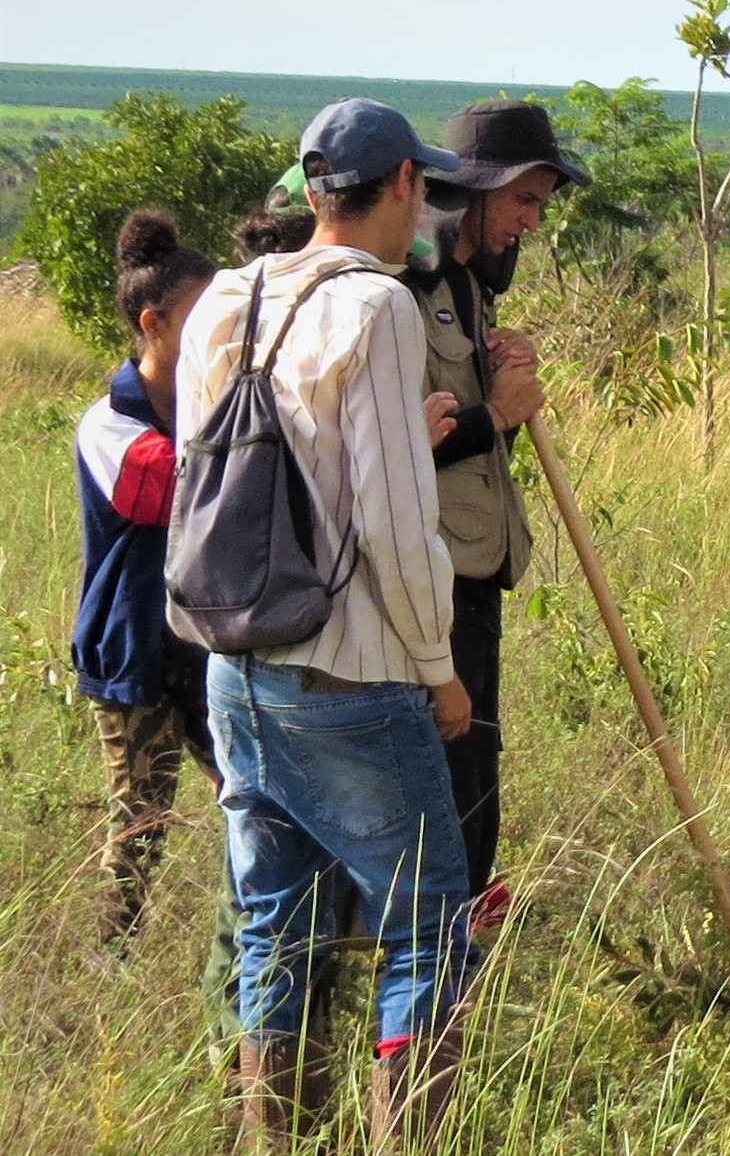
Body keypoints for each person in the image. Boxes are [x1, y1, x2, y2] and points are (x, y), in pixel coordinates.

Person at [184, 98, 475, 1149]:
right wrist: (440, 670)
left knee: (274, 930)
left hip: (234, 664)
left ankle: (275, 1139)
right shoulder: (380, 307)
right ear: (400, 181)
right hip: (347, 676)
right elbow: (397, 525)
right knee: (427, 926)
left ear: (313, 188)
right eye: (422, 187)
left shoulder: (227, 296)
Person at [408, 99, 588, 924]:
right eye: (524, 198)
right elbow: (389, 456)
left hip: (474, 576)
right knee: (447, 800)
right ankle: (428, 1008)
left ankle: (452, 990)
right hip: (430, 581)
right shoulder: (405, 287)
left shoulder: (470, 290)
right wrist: (498, 413)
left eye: (540, 204)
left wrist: (499, 369)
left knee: (478, 787)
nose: (530, 221)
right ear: (475, 187)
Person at [72, 211, 221, 942]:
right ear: (153, 322)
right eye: (205, 317)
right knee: (140, 821)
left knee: (253, 797)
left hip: (203, 640)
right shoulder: (109, 423)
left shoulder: (208, 404)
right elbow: (172, 494)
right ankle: (112, 960)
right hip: (133, 647)